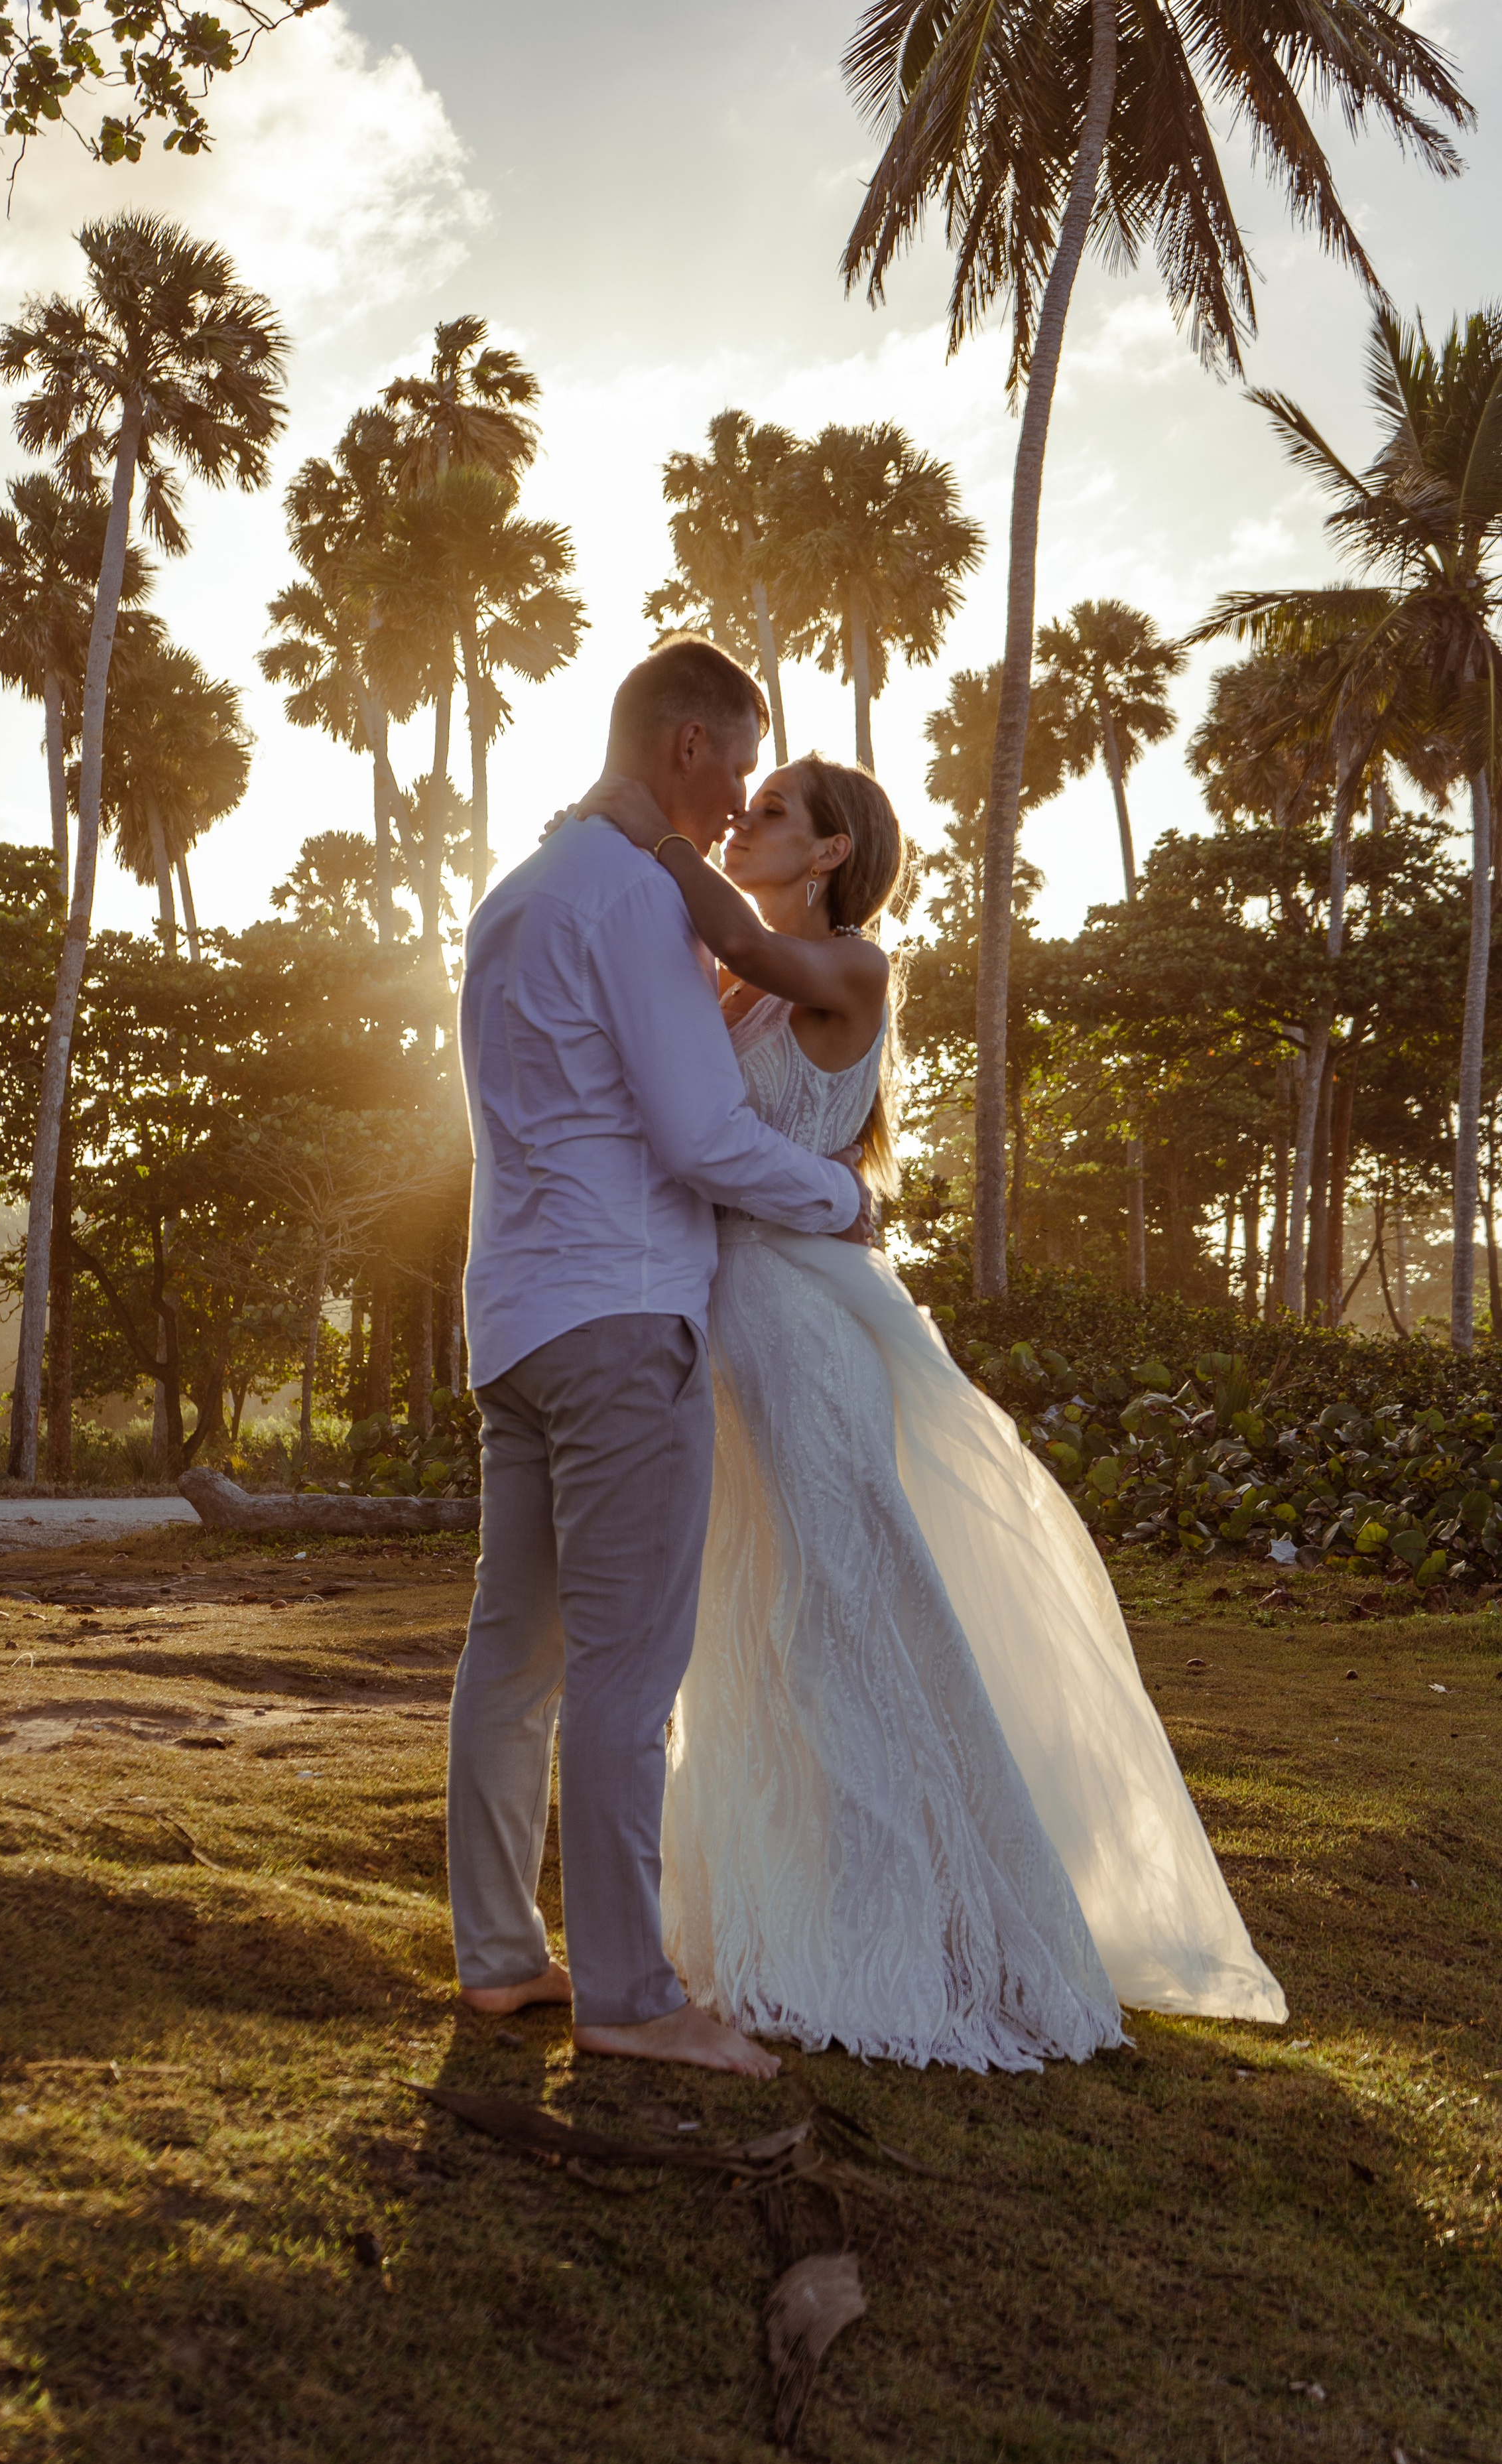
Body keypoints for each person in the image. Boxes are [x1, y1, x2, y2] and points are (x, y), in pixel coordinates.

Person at [578, 749, 1286, 2069]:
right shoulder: (732, 983)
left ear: (833, 852)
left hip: (799, 1319)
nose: (746, 821)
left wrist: (640, 825)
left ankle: (907, 1925)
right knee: (750, 1618)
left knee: (838, 1606)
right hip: (719, 1312)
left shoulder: (851, 965)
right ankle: (771, 1909)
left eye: (774, 810)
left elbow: (723, 925)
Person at [448, 639, 871, 2077]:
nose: (736, 798)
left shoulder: (512, 895)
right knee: (629, 1669)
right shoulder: (631, 895)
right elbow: (698, 1136)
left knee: (511, 1655)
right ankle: (630, 2000)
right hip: (621, 1318)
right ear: (688, 746)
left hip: (508, 1313)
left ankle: (503, 1960)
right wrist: (844, 1201)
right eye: (737, 770)